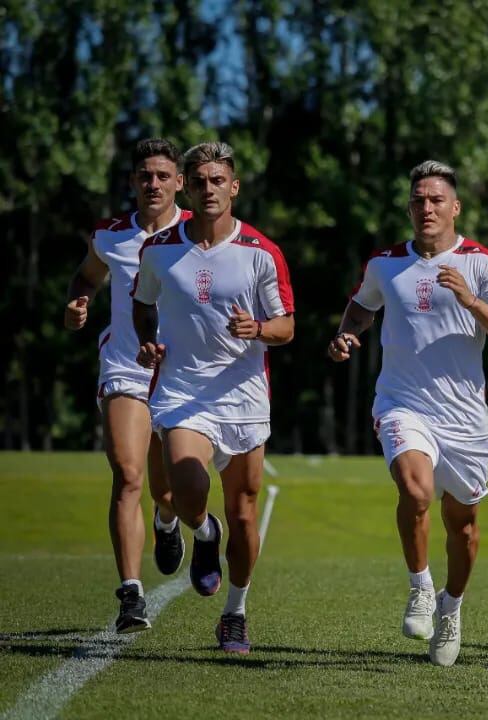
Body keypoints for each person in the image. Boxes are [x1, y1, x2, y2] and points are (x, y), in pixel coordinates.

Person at [328, 160, 488, 667]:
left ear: (455, 207)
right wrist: (349, 333)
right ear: (409, 207)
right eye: (418, 200)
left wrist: (471, 301)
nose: (427, 208)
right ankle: (420, 586)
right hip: (401, 402)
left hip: (464, 419)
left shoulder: (482, 263)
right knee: (414, 490)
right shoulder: (385, 263)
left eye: (437, 200)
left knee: (462, 525)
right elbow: (361, 307)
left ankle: (451, 609)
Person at [132, 141, 295, 654]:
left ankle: (235, 613)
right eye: (199, 181)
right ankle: (203, 533)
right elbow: (143, 305)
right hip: (183, 391)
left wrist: (259, 328)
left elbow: (288, 327)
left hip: (244, 395)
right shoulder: (159, 249)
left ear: (234, 187)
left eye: (217, 181)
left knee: (245, 514)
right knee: (184, 485)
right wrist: (147, 341)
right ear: (188, 185)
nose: (208, 190)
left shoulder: (261, 253)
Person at [64, 138, 190, 634]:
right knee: (128, 474)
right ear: (134, 181)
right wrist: (79, 302)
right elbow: (86, 277)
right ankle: (131, 594)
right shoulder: (111, 236)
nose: (153, 184)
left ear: (179, 182)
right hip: (124, 366)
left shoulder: (197, 234)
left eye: (163, 175)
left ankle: (167, 520)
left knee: (166, 489)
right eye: (145, 175)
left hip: (181, 375)